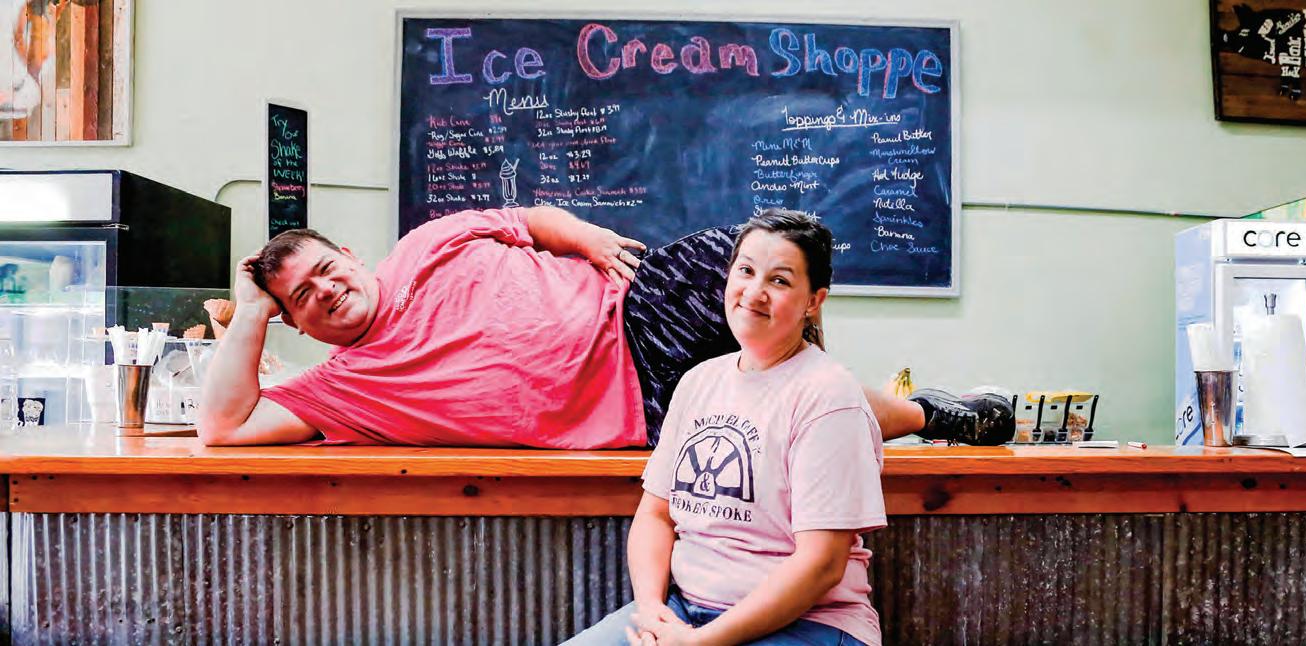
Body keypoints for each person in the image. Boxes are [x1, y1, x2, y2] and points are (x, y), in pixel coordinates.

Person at [198, 204, 1013, 448]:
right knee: (781, 404)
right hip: (633, 410)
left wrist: (586, 238)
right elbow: (222, 428)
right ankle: (930, 414)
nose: (326, 291)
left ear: (348, 254)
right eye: (301, 297)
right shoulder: (341, 389)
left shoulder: (427, 241)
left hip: (637, 304)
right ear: (294, 320)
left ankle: (878, 411)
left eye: (325, 269)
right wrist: (252, 310)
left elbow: (530, 220)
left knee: (753, 251)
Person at [565, 209, 884, 646]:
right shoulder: (699, 382)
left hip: (811, 624)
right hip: (684, 612)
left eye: (779, 280)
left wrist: (702, 642)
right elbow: (655, 515)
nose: (754, 292)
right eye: (746, 271)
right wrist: (651, 610)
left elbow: (822, 563)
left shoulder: (829, 394)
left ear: (813, 302)